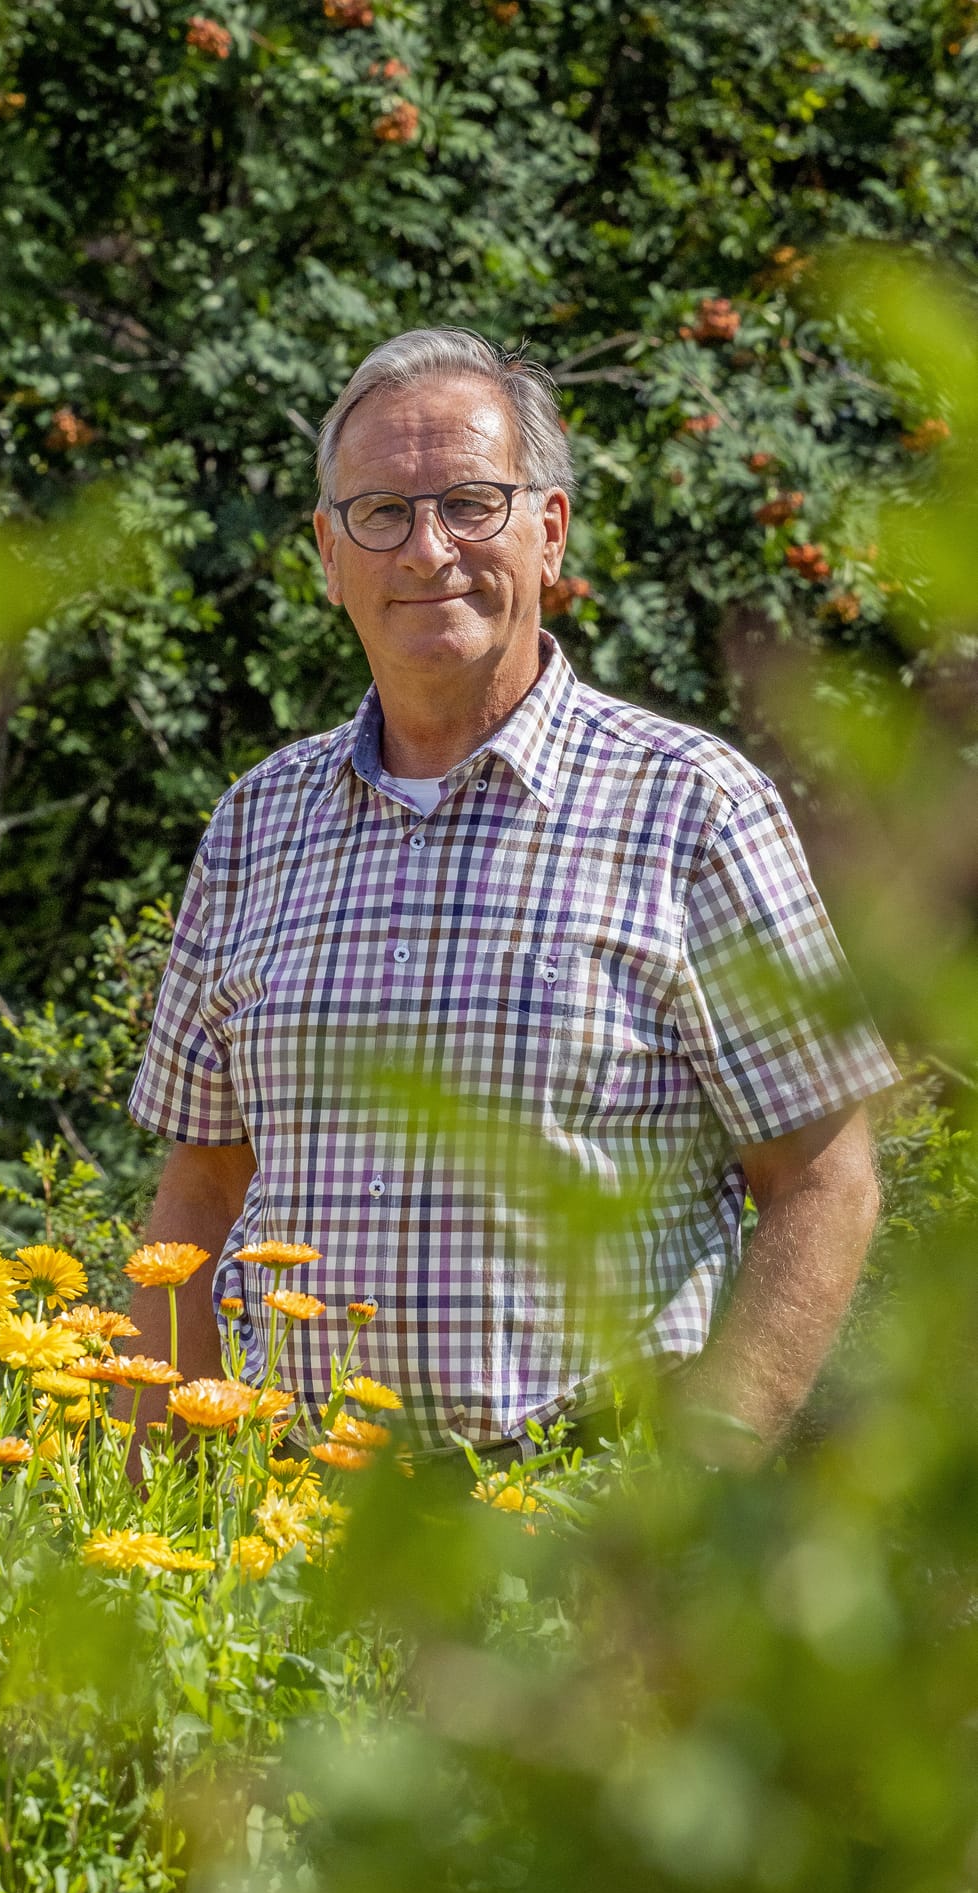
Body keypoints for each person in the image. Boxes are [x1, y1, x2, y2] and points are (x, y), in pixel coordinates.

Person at [127, 326, 898, 1469]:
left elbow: (824, 1180)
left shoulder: (693, 806)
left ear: (550, 531)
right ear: (330, 555)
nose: (427, 547)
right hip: (286, 1514)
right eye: (381, 512)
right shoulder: (257, 824)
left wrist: (699, 1484)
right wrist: (151, 1494)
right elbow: (201, 1186)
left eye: (471, 503)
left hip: (579, 1510)